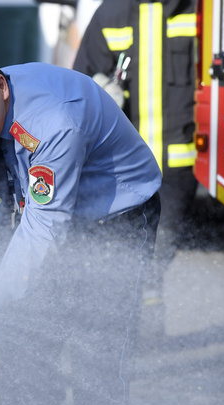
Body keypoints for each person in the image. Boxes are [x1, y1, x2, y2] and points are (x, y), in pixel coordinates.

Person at [0, 46, 162, 405]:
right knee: (25, 360)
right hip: (45, 217)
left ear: (0, 86)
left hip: (115, 218)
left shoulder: (53, 123)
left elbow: (42, 232)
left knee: (96, 364)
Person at [72, 0, 198, 336]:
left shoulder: (198, 10)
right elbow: (78, 83)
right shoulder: (110, 14)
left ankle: (146, 335)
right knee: (125, 252)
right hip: (121, 167)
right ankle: (130, 334)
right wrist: (100, 92)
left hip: (177, 164)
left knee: (158, 250)